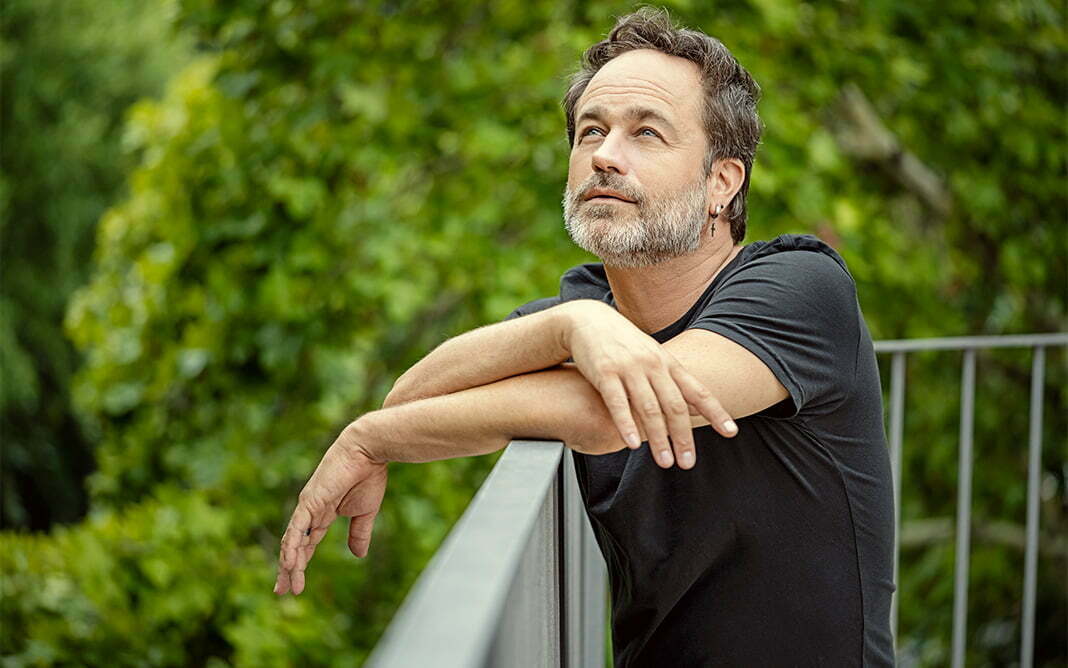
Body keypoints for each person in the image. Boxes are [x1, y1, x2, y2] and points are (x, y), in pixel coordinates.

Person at [273, 7, 894, 666]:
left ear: (721, 181)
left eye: (646, 133)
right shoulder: (583, 313)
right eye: (591, 131)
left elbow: (611, 416)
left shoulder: (801, 287)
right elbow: (413, 398)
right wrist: (571, 325)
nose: (603, 155)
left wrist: (369, 438)